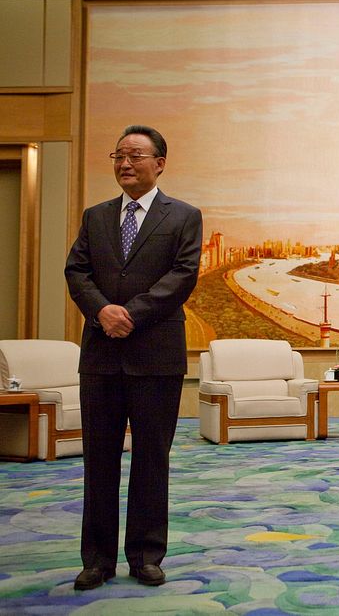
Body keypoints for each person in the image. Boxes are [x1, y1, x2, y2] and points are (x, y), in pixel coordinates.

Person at [65, 125, 202, 590]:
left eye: (136, 156)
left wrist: (131, 315)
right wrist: (102, 311)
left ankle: (145, 554)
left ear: (159, 163)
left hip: (156, 355)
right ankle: (97, 559)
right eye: (118, 155)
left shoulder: (183, 216)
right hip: (101, 356)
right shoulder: (95, 216)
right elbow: (76, 270)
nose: (125, 164)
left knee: (151, 459)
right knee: (98, 460)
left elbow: (183, 276)